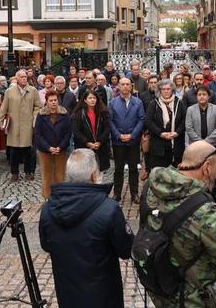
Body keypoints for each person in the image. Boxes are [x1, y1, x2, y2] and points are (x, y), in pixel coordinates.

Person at [142, 141, 216, 308]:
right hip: (193, 296)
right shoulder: (202, 210)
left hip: (162, 288)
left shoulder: (151, 186)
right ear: (207, 167)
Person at [39, 148, 133, 308]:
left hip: (68, 294)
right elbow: (126, 249)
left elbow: (47, 245)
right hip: (104, 296)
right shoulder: (109, 209)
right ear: (93, 175)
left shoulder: (48, 209)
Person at [0, 69, 43, 181]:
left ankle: (29, 172)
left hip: (28, 125)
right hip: (14, 125)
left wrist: (34, 120)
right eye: (21, 77)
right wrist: (1, 122)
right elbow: (4, 107)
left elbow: (38, 107)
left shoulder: (33, 90)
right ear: (17, 78)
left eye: (25, 76)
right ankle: (14, 173)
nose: (24, 78)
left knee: (28, 150)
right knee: (14, 151)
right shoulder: (9, 91)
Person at [109, 77, 145, 203]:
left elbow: (141, 119)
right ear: (118, 86)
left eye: (127, 84)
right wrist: (118, 135)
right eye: (122, 84)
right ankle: (117, 193)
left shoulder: (138, 102)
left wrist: (133, 134)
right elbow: (110, 121)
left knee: (133, 168)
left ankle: (134, 193)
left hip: (133, 141)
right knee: (118, 169)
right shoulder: (113, 103)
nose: (125, 86)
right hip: (118, 142)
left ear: (131, 86)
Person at [35, 91, 72, 199]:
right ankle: (48, 197)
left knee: (60, 175)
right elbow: (38, 133)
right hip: (45, 150)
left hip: (61, 149)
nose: (53, 102)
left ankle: (60, 197)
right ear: (46, 101)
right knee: (47, 175)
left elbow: (68, 132)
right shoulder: (41, 114)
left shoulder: (64, 114)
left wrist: (60, 147)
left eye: (55, 100)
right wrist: (48, 147)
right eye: (51, 100)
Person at [145, 79, 187, 171]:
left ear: (172, 90)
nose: (166, 91)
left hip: (176, 143)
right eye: (163, 89)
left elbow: (185, 120)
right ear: (159, 91)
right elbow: (148, 121)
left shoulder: (179, 103)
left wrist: (177, 132)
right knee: (160, 173)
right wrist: (160, 133)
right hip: (158, 144)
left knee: (176, 173)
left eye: (168, 89)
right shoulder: (154, 104)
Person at [72, 89, 111, 172]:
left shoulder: (103, 112)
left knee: (99, 174)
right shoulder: (79, 114)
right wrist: (87, 143)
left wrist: (100, 142)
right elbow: (76, 131)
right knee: (85, 173)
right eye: (90, 98)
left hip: (100, 147)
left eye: (94, 98)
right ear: (85, 100)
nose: (92, 100)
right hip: (84, 148)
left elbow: (107, 128)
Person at [184, 85, 216, 149]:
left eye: (204, 94)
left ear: (208, 96)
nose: (201, 96)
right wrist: (200, 141)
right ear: (196, 97)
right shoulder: (190, 110)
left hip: (212, 145)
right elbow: (189, 128)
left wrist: (207, 141)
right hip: (195, 145)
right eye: (199, 95)